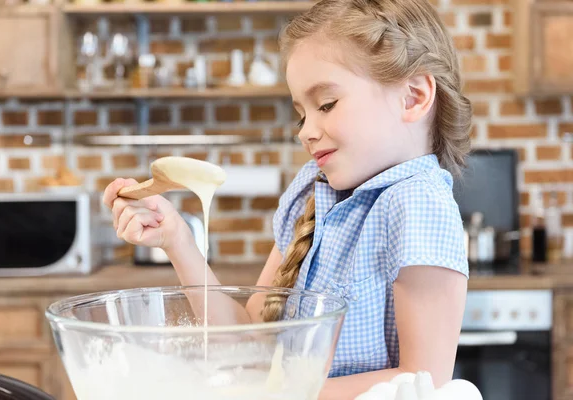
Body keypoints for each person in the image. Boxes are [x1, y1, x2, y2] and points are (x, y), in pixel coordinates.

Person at [103, 0, 472, 398]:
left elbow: (424, 381)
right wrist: (177, 240)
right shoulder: (311, 194)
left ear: (412, 98)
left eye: (326, 105)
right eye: (301, 114)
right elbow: (248, 346)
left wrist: (283, 392)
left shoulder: (417, 204)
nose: (306, 131)